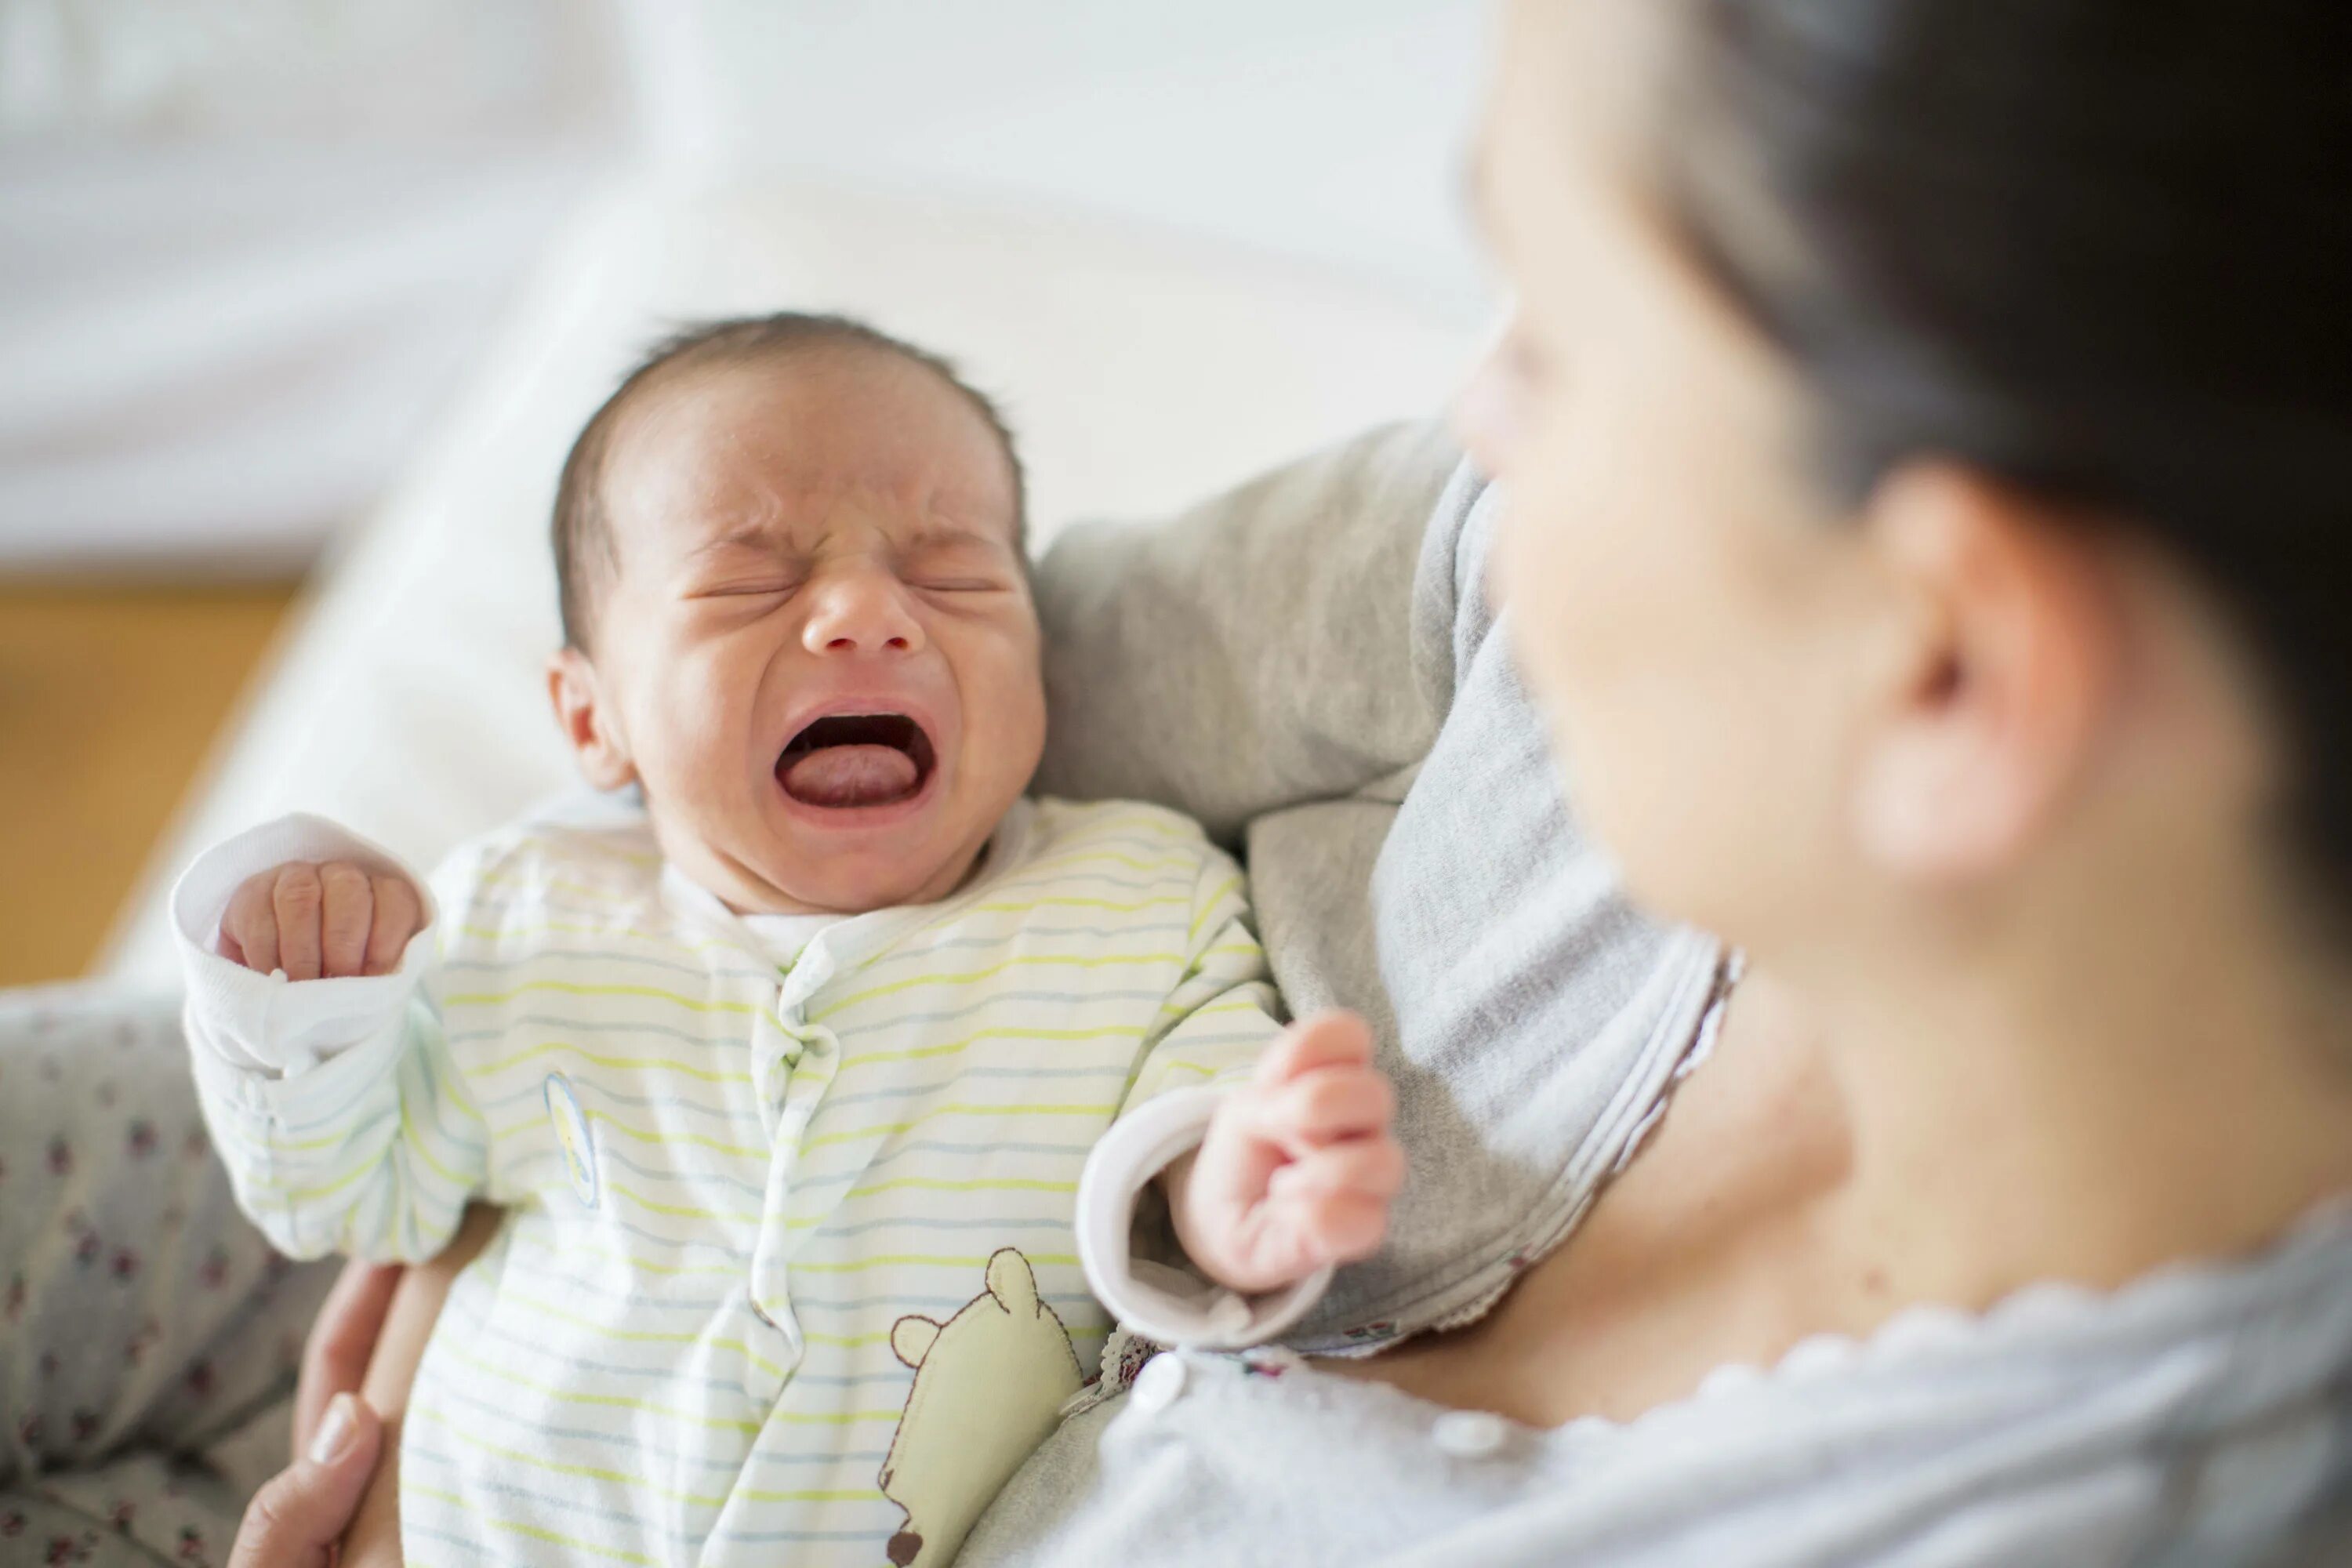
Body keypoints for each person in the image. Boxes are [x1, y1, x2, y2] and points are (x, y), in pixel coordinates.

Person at [10, 0, 2349, 1560]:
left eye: (1568, 336)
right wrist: (533, 1057)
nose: (1471, 422)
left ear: (1941, 667)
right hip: (563, 1214)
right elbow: (987, 670)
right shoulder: (1507, 619)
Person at [169, 313, 1399, 1566]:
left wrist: (1235, 1183)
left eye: (955, 573)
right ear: (593, 721)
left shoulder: (1140, 895)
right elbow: (352, 1199)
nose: (868, 612)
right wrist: (308, 998)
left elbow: (1195, 1104)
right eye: (749, 578)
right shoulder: (525, 913)